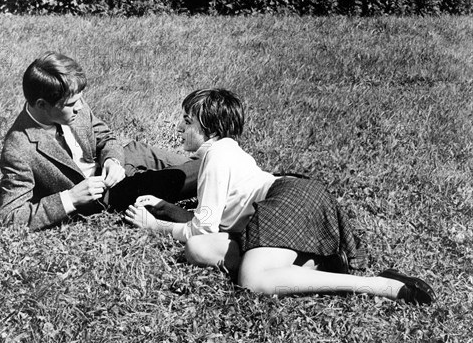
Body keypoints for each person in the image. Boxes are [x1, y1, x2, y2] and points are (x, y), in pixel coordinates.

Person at [124, 88, 435, 305]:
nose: (181, 128)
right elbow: (209, 226)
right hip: (294, 200)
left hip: (286, 200)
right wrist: (164, 207)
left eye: (187, 122)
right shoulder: (227, 151)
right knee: (198, 248)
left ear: (209, 128)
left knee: (251, 280)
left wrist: (155, 226)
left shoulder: (215, 154)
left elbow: (204, 224)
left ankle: (382, 286)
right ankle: (313, 264)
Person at [0, 51, 200, 231]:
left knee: (208, 166)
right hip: (111, 193)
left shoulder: (73, 102)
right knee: (208, 169)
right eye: (72, 104)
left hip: (124, 158)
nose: (80, 107)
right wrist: (71, 198)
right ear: (42, 105)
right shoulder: (19, 148)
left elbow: (105, 137)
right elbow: (10, 217)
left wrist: (113, 160)